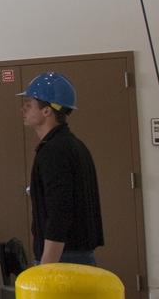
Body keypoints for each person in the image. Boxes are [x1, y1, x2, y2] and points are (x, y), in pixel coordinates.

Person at [19, 72, 103, 265]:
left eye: (29, 104)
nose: (23, 109)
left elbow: (60, 211)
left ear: (47, 110)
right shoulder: (73, 145)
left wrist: (47, 267)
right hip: (76, 255)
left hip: (63, 259)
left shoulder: (54, 151)